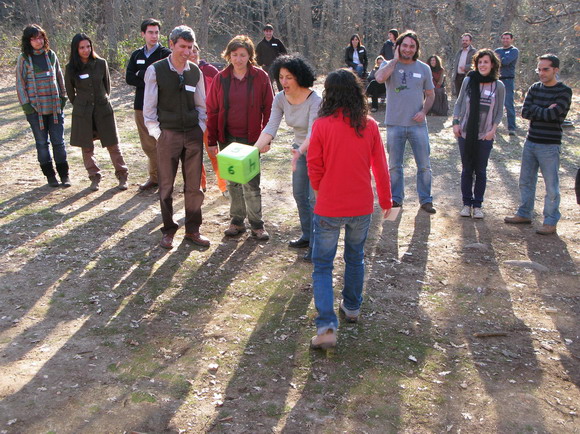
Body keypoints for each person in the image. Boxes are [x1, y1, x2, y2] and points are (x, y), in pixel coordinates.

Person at [307, 69, 392, 349]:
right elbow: (381, 167)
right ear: (357, 92)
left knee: (322, 265)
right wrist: (387, 201)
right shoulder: (368, 125)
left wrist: (321, 195)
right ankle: (352, 307)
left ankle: (327, 327)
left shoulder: (322, 125)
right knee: (355, 258)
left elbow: (314, 167)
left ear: (329, 94)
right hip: (360, 207)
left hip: (329, 206)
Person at [143, 25, 209, 249]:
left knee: (194, 186)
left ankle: (193, 230)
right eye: (182, 46)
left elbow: (202, 105)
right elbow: (149, 111)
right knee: (166, 185)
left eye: (190, 47)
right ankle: (168, 229)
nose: (187, 51)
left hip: (192, 134)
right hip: (168, 135)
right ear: (171, 45)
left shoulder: (195, 71)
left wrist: (200, 127)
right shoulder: (155, 70)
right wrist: (159, 134)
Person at [254, 55, 322, 259]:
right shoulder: (280, 98)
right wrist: (254, 149)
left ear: (299, 77)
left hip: (317, 151)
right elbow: (271, 126)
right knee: (299, 195)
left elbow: (313, 132)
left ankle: (318, 246)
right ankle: (307, 236)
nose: (283, 82)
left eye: (289, 77)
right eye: (281, 77)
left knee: (313, 199)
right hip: (298, 150)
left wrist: (301, 151)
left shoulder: (315, 99)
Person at [206, 35, 274, 240]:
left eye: (242, 55)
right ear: (228, 56)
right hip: (227, 138)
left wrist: (266, 139)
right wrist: (211, 140)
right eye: (234, 55)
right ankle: (237, 221)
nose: (238, 59)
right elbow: (212, 109)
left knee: (251, 183)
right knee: (233, 182)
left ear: (250, 56)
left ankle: (257, 224)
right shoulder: (221, 78)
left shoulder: (260, 77)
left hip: (252, 140)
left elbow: (269, 109)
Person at [504, 54, 572, 235]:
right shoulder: (534, 88)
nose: (541, 73)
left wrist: (538, 111)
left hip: (549, 145)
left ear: (555, 70)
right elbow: (525, 112)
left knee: (551, 185)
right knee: (526, 181)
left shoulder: (564, 91)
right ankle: (524, 213)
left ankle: (550, 221)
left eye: (545, 69)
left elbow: (555, 115)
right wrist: (543, 110)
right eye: (539, 69)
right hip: (531, 141)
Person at [375, 30, 436, 213]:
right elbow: (379, 79)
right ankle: (396, 199)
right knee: (395, 165)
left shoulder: (424, 68)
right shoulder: (388, 65)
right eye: (405, 45)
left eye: (412, 46)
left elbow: (431, 95)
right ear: (398, 46)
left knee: (424, 165)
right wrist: (394, 60)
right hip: (395, 124)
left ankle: (426, 200)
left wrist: (424, 111)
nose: (408, 49)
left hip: (417, 125)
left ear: (416, 48)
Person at [65, 33, 128, 191]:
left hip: (102, 109)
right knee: (87, 147)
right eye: (82, 47)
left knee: (113, 144)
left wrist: (101, 102)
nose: (86, 50)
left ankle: (122, 175)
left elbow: (107, 86)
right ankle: (94, 176)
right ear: (76, 49)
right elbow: (70, 93)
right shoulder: (71, 68)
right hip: (84, 112)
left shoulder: (101, 63)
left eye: (88, 46)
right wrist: (81, 105)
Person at [453, 49, 505, 219]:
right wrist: (456, 123)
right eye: (480, 62)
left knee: (481, 171)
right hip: (466, 133)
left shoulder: (498, 86)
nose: (483, 65)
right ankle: (466, 204)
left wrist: (493, 130)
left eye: (486, 62)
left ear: (492, 65)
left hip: (485, 135)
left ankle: (478, 205)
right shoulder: (469, 81)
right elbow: (459, 103)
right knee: (467, 169)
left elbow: (498, 112)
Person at [16, 24, 70, 187]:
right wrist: (27, 106)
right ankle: (50, 176)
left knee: (58, 142)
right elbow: (20, 83)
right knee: (42, 143)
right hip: (35, 111)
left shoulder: (51, 55)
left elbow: (59, 77)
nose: (38, 41)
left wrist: (62, 98)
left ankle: (64, 175)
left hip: (54, 108)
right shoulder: (24, 58)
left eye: (40, 37)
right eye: (34, 39)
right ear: (28, 41)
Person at [126, 18, 171, 191]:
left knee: (161, 143)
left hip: (161, 106)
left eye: (156, 32)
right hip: (140, 105)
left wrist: (142, 74)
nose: (154, 36)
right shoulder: (136, 55)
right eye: (150, 32)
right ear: (143, 34)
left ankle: (165, 179)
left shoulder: (165, 54)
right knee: (147, 144)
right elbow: (129, 78)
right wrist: (148, 76)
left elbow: (163, 78)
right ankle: (154, 178)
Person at [189, 43, 227, 196]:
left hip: (209, 119)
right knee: (194, 155)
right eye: (189, 51)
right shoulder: (182, 71)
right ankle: (200, 184)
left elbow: (221, 92)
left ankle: (224, 186)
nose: (192, 54)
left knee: (214, 153)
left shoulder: (210, 70)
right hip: (191, 120)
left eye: (194, 50)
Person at [495, 32, 519, 135]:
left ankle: (511, 128)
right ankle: (493, 126)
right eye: (503, 38)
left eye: (507, 38)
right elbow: (493, 63)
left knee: (508, 104)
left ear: (511, 39)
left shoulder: (514, 51)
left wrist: (499, 60)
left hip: (508, 80)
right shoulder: (497, 50)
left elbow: (505, 62)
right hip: (496, 79)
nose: (505, 40)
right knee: (494, 103)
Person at [255, 24, 287, 91]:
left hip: (278, 67)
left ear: (272, 32)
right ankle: (272, 99)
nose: (268, 33)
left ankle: (282, 99)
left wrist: (281, 62)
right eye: (267, 31)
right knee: (268, 85)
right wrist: (261, 63)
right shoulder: (261, 44)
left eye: (270, 31)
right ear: (264, 32)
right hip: (266, 67)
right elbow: (257, 55)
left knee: (280, 84)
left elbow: (284, 53)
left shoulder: (277, 42)